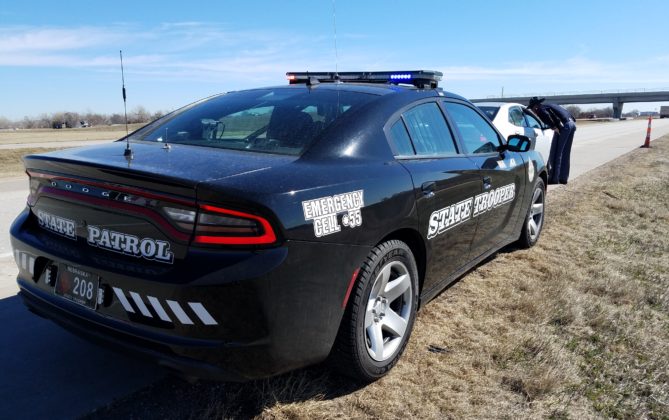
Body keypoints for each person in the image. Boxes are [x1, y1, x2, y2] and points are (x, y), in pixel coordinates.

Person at [528, 97, 576, 185]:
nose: (533, 111)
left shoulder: (541, 109)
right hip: (571, 124)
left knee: (556, 153)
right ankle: (563, 178)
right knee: (565, 153)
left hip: (564, 126)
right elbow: (570, 116)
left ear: (535, 106)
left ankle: (554, 178)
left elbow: (546, 116)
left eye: (532, 108)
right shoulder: (551, 105)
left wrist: (554, 127)